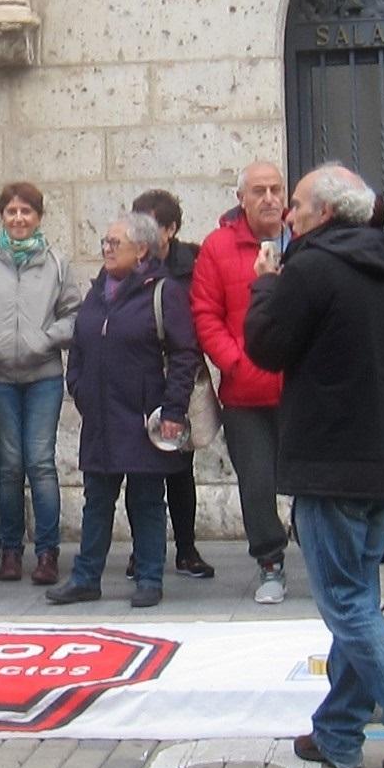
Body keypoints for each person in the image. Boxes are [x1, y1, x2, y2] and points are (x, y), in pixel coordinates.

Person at [245, 163, 384, 768]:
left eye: (298, 206)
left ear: (328, 214)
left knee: (345, 603)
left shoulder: (308, 270)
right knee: (359, 597)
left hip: (329, 464)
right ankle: (337, 729)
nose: (288, 216)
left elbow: (264, 346)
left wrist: (265, 285)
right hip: (382, 461)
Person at [49, 209, 200, 608]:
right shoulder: (97, 291)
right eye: (105, 242)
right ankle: (85, 578)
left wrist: (172, 411)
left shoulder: (162, 292)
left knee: (147, 500)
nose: (107, 249)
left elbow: (185, 354)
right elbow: (80, 344)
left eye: (115, 243)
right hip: (100, 417)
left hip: (143, 418)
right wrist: (78, 387)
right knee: (97, 500)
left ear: (142, 250)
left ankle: (150, 578)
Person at [0, 180, 84, 586]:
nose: (19, 218)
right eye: (12, 212)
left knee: (41, 463)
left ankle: (47, 552)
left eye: (26, 212)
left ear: (38, 217)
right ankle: (11, 550)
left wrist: (46, 338)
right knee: (9, 466)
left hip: (44, 377)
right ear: (2, 216)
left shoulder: (56, 263)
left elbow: (73, 314)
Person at [189, 160, 295, 604]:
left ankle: (326, 555)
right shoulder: (217, 247)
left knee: (314, 481)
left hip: (303, 388)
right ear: (241, 199)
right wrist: (235, 363)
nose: (269, 198)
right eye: (259, 191)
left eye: (276, 189)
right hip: (245, 392)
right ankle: (270, 563)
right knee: (256, 484)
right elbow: (205, 314)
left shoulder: (305, 242)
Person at [132, 188, 216, 579]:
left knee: (181, 463)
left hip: (181, 367)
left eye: (150, 225)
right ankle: (142, 550)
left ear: (171, 229)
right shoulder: (128, 263)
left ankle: (186, 548)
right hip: (140, 370)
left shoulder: (194, 262)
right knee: (141, 468)